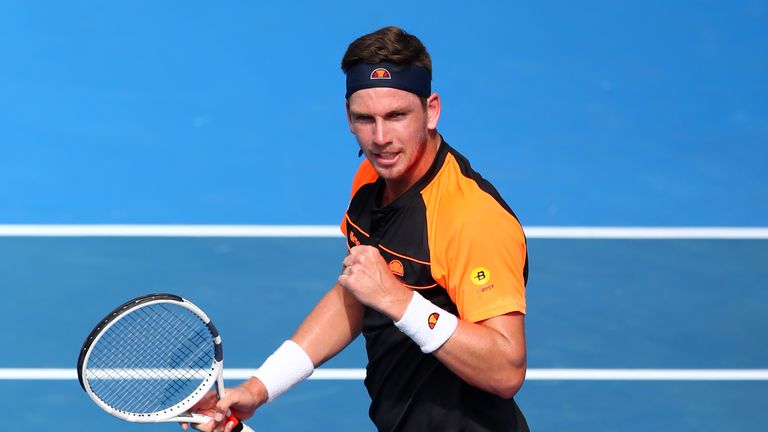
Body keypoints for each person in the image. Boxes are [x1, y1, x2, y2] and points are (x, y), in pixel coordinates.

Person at [186, 26, 530, 432]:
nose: (380, 138)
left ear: (432, 110)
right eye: (365, 119)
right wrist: (260, 389)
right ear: (347, 116)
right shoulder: (371, 179)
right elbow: (358, 290)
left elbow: (506, 371)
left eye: (397, 116)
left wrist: (400, 302)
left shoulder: (472, 217)